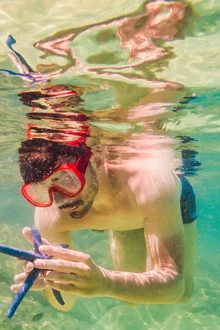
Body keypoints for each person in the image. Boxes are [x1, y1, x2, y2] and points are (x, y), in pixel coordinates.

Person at [10, 85, 197, 312]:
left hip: (164, 201)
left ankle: (139, 218)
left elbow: (174, 287)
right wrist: (51, 280)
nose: (59, 199)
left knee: (184, 294)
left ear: (96, 160)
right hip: (128, 210)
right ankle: (128, 222)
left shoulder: (151, 184)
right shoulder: (50, 212)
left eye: (66, 180)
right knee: (130, 298)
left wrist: (105, 283)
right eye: (40, 190)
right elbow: (65, 304)